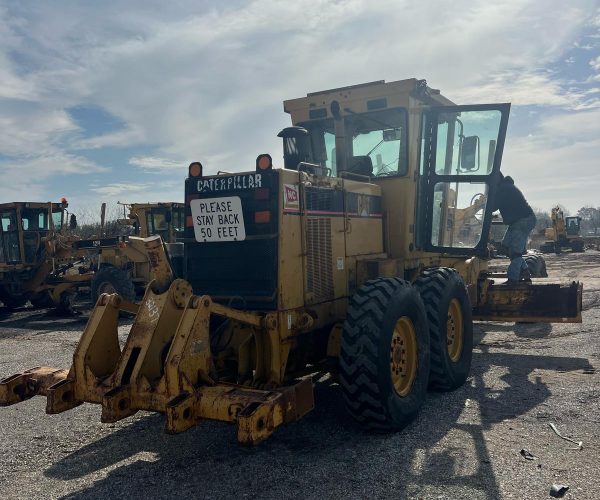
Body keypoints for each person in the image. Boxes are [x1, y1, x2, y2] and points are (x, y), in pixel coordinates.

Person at [490, 173, 536, 283]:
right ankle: (524, 272)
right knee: (505, 247)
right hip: (517, 221)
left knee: (515, 252)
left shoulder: (504, 188)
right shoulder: (506, 187)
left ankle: (513, 279)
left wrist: (484, 203)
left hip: (523, 221)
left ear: (497, 179)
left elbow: (493, 206)